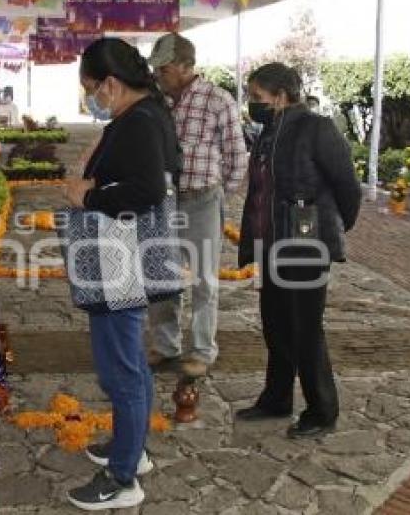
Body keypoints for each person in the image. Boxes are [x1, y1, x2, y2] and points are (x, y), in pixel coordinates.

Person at [64, 37, 179, 511]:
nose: (91, 97)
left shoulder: (139, 121)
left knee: (121, 368)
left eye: (91, 88)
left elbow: (148, 188)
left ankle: (122, 477)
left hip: (120, 260)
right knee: (129, 357)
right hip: (122, 257)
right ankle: (132, 447)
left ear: (110, 83)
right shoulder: (144, 114)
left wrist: (89, 196)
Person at [236, 63, 361, 438]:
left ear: (281, 95)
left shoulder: (316, 128)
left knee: (305, 329)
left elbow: (347, 187)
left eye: (257, 97)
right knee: (275, 326)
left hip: (304, 244)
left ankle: (322, 410)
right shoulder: (267, 132)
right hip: (269, 243)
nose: (252, 104)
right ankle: (276, 399)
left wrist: (332, 229)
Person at [146, 33, 248, 378]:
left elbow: (237, 155)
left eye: (165, 68)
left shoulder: (218, 100)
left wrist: (220, 193)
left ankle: (203, 350)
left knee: (205, 281)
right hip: (164, 202)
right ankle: (165, 345)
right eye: (157, 69)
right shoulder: (157, 101)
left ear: (185, 66)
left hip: (202, 200)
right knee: (162, 276)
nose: (159, 74)